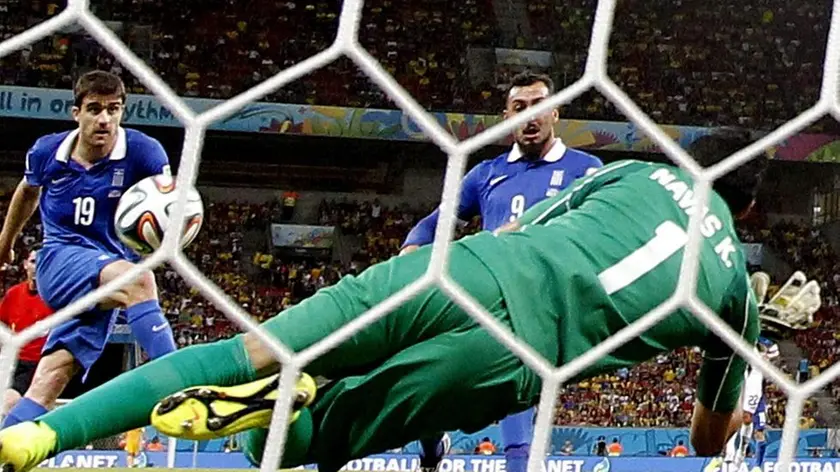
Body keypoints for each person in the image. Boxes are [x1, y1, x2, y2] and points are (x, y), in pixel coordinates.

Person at [0, 131, 792, 472]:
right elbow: (703, 440)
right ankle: (282, 410)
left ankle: (40, 438)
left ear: (686, 157)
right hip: (514, 357)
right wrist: (747, 338)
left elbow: (543, 227)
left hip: (464, 271)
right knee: (284, 447)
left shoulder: (628, 174)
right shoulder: (730, 294)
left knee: (247, 351)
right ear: (749, 214)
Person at [401, 70, 602, 472]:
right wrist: (412, 247)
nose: (530, 116)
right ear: (506, 116)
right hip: (486, 294)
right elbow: (436, 221)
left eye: (539, 106)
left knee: (518, 401)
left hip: (544, 302)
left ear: (556, 113)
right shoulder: (486, 173)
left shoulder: (586, 168)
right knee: (427, 376)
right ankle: (430, 443)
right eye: (519, 108)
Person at [0, 70, 177, 427]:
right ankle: (180, 384)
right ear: (75, 112)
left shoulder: (144, 152)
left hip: (107, 273)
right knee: (140, 282)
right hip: (59, 260)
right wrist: (5, 245)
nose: (104, 119)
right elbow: (27, 192)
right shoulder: (48, 151)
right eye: (94, 109)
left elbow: (169, 205)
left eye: (114, 109)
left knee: (48, 382)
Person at [0, 245, 55, 414]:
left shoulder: (55, 296)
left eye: (41, 262)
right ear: (25, 264)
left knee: (9, 400)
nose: (36, 266)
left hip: (39, 363)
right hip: (11, 360)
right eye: (32, 261)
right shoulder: (14, 294)